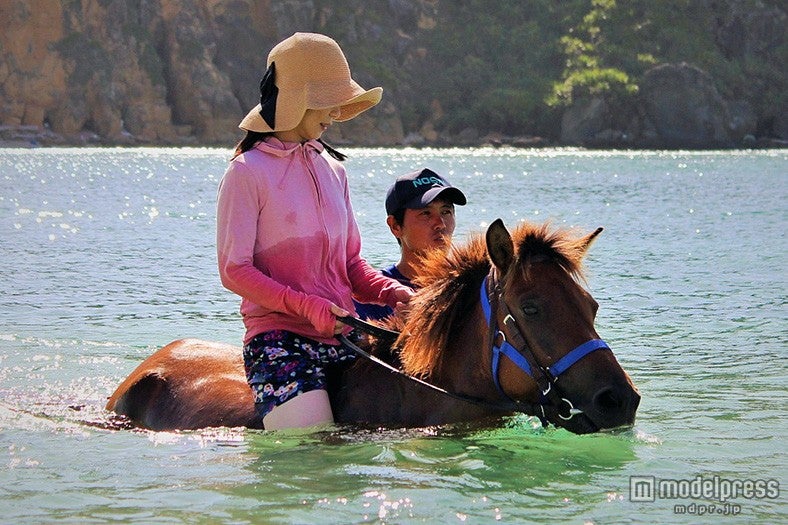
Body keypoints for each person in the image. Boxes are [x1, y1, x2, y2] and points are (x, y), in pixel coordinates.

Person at [216, 33, 413, 430]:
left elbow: (351, 265)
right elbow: (233, 271)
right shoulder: (246, 172)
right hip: (278, 339)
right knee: (312, 448)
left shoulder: (335, 170)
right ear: (294, 97)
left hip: (345, 337)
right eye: (328, 100)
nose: (336, 112)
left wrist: (394, 294)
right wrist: (308, 307)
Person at [354, 168, 466, 320]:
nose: (440, 224)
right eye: (426, 213)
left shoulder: (470, 288)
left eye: (446, 212)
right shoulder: (370, 295)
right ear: (395, 226)